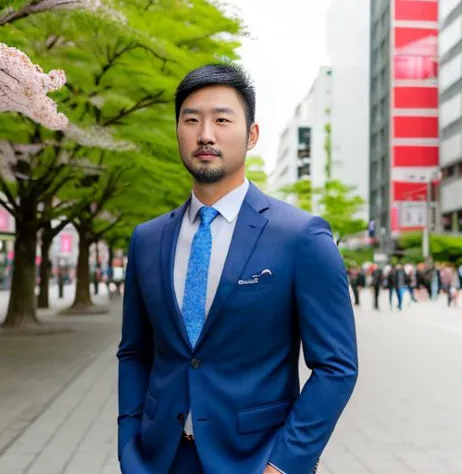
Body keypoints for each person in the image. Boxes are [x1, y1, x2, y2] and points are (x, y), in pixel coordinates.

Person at [117, 64, 358, 474]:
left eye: (222, 120)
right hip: (159, 458)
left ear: (251, 136)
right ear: (178, 129)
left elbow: (337, 366)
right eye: (191, 119)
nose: (205, 133)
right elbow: (135, 353)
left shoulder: (301, 237)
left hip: (256, 459)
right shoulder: (148, 239)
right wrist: (129, 446)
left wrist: (284, 463)